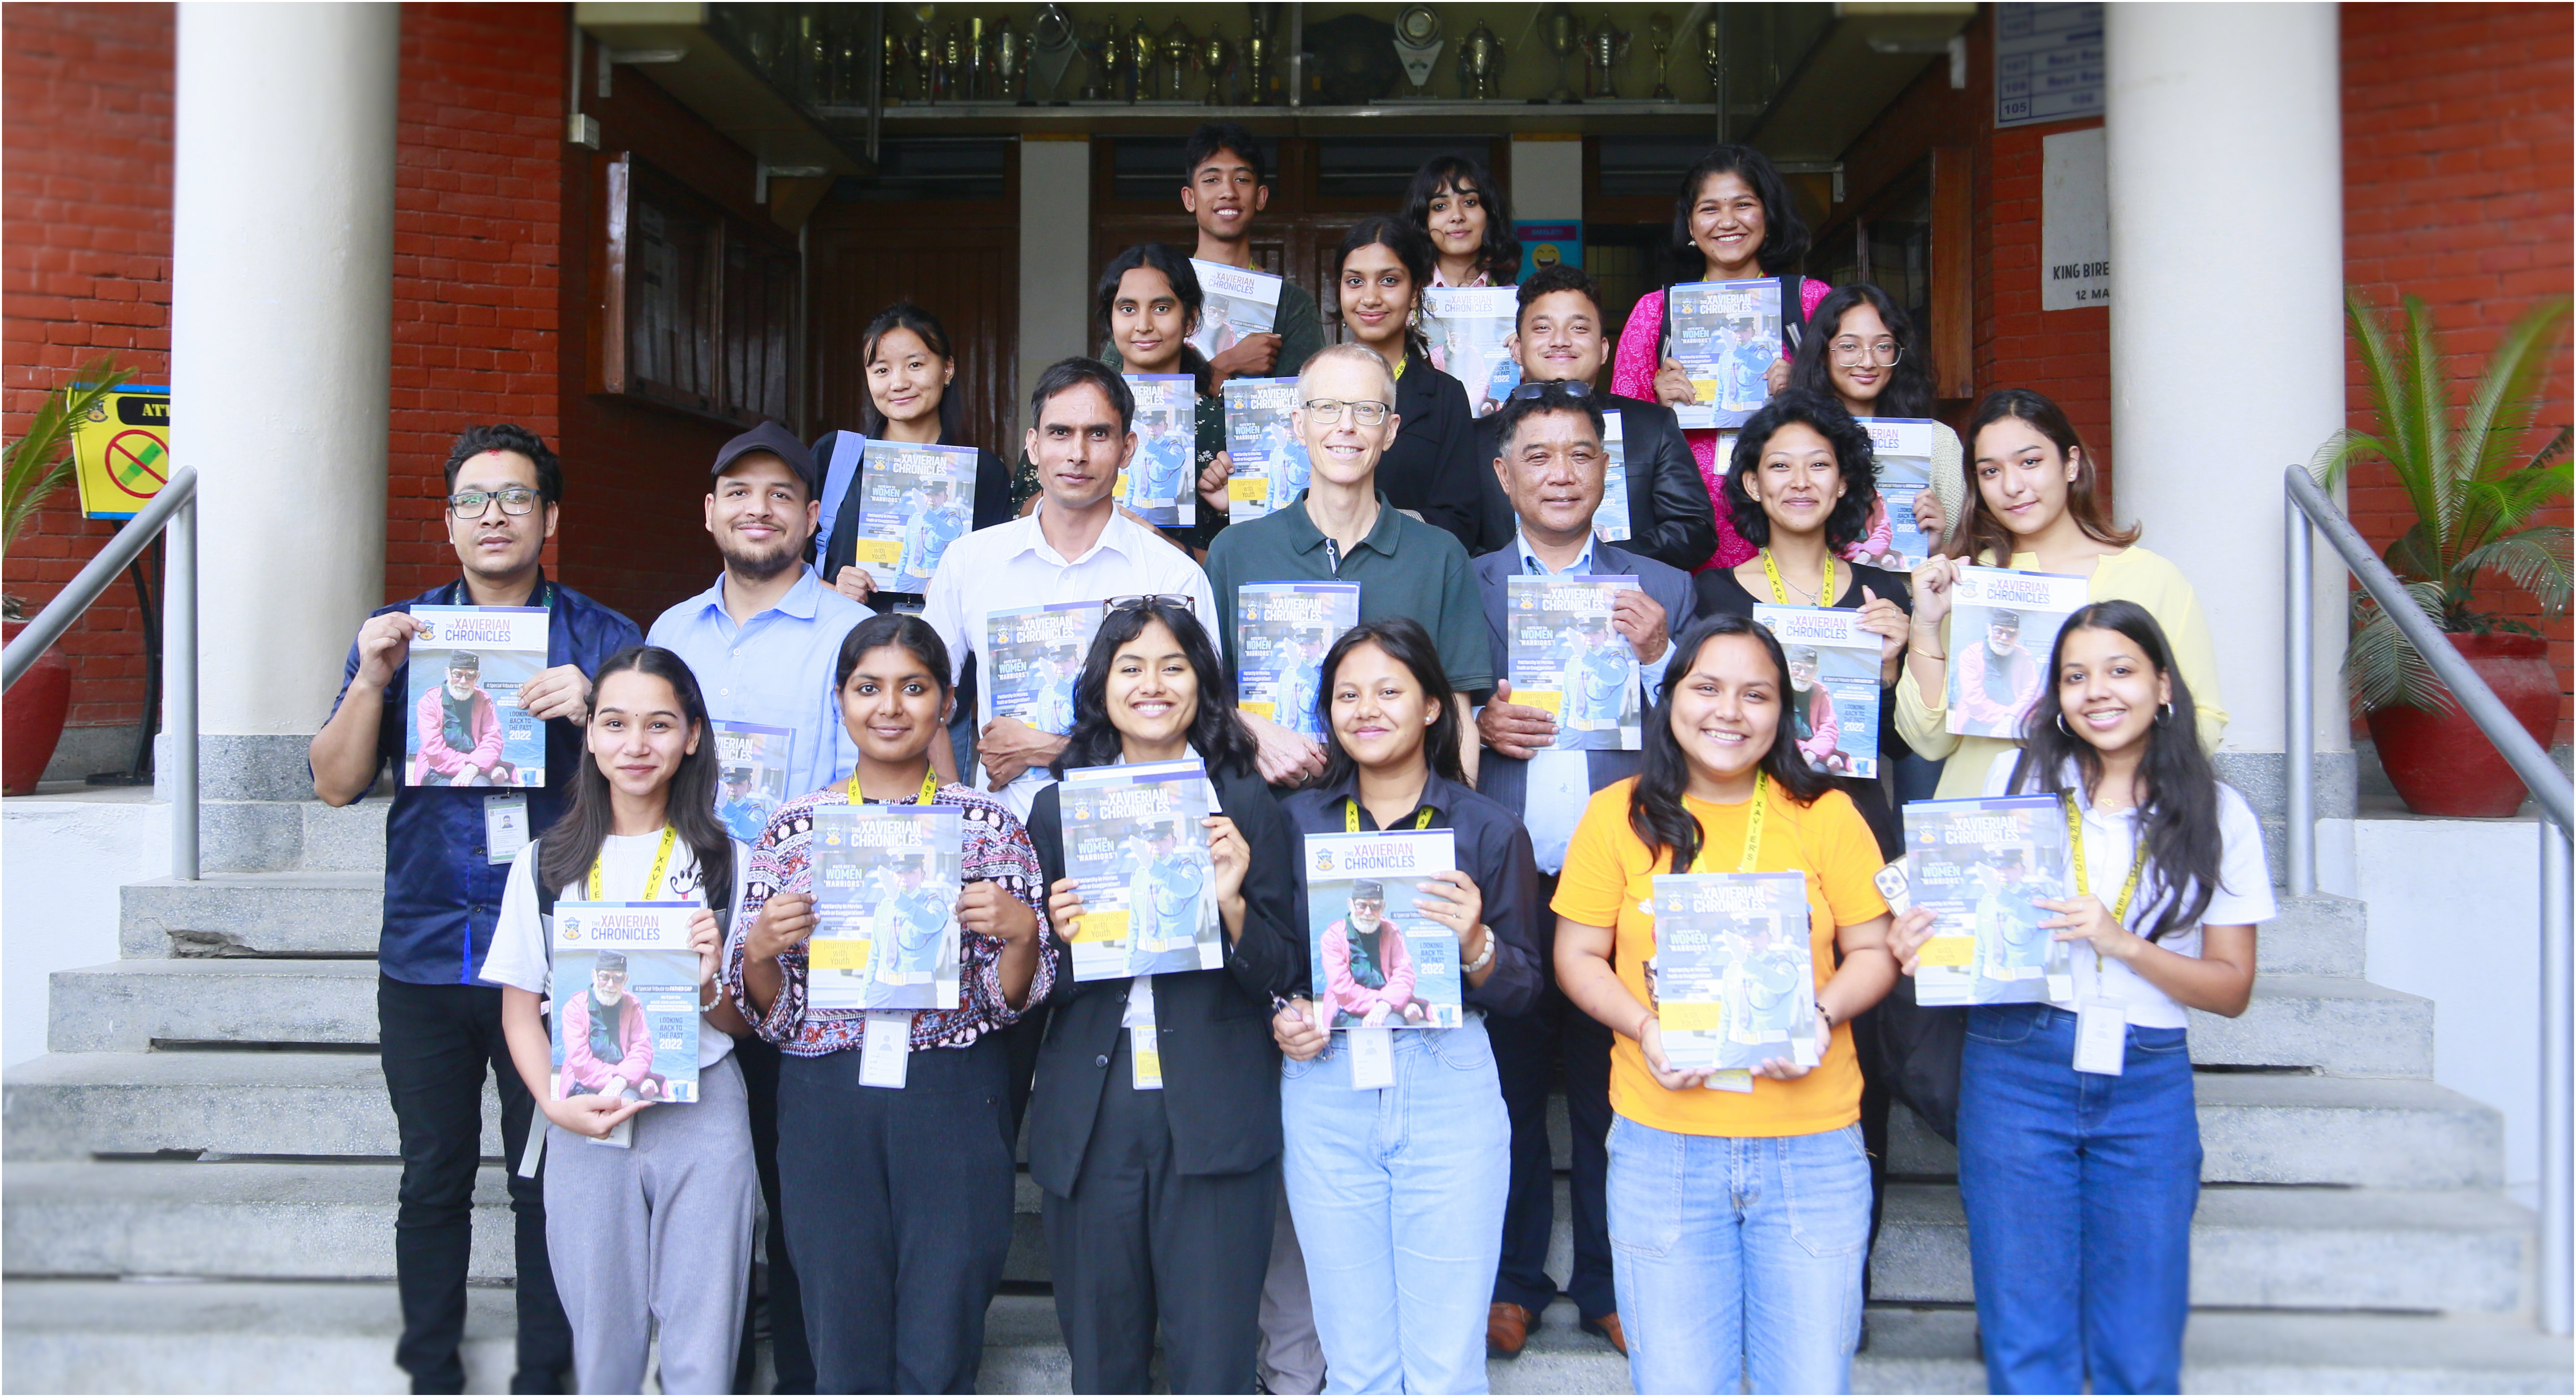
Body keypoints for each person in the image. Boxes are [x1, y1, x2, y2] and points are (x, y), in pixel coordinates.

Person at [311, 423, 636, 1393]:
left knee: (548, 1178)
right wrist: (372, 676)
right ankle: (431, 1373)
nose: (494, 515)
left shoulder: (603, 639)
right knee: (433, 1177)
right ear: (449, 522)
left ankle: (548, 1374)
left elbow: (664, 780)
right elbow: (334, 783)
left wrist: (600, 711)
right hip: (425, 946)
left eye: (516, 497)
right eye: (474, 500)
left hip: (553, 950)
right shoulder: (401, 633)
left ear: (551, 518)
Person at [1887, 601, 2272, 1394]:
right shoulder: (2015, 779)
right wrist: (1923, 938)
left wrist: (2123, 941)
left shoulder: (2218, 812)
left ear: (2163, 684)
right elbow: (1963, 921)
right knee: (2024, 1336)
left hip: (2147, 1075)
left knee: (2140, 1342)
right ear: (2055, 694)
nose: (2097, 692)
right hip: (2016, 1061)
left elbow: (2231, 989)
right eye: (2075, 675)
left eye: (2120, 670)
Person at [1552, 613, 1901, 1395]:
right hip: (1662, 1146)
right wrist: (1645, 1027)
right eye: (1706, 687)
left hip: (1809, 1146)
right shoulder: (1618, 813)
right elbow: (1576, 956)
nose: (1729, 712)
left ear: (1782, 711)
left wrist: (1820, 1014)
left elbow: (1875, 951)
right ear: (1671, 695)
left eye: (1756, 694)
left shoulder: (1827, 813)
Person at [724, 613, 1055, 1394]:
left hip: (952, 1092)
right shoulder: (795, 828)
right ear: (840, 699)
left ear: (946, 702)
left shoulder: (989, 825)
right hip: (826, 1096)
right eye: (869, 687)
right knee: (840, 1320)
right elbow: (772, 1012)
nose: (891, 706)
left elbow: (1009, 1004)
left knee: (942, 1324)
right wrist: (759, 951)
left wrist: (1021, 937)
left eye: (915, 687)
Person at [1023, 598, 1303, 1394]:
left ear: (1203, 684)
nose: (1153, 685)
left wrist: (1233, 902)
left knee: (1214, 1361)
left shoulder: (1244, 802)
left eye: (1173, 666)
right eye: (1131, 667)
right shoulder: (1057, 808)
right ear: (1102, 685)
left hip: (1215, 1109)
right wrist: (1057, 937)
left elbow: (1284, 974)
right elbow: (1032, 986)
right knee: (1103, 1360)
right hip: (1093, 1112)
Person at [647, 422, 873, 1391]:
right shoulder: (667, 635)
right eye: (738, 492)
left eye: (781, 493)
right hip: (687, 948)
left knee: (803, 1194)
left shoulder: (845, 637)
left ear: (812, 515)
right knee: (701, 1205)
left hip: (802, 948)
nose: (758, 509)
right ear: (709, 512)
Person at [1470, 382, 1694, 1358]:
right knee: (1510, 1091)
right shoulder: (1466, 581)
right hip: (1512, 882)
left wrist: (1656, 661)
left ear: (1608, 473)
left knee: (1615, 1091)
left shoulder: (1663, 590)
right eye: (1540, 455)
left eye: (1581, 455)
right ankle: (1514, 1279)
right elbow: (1422, 720)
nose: (1561, 472)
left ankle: (1608, 1279)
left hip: (1621, 884)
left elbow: (1708, 736)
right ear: (1505, 473)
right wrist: (1474, 724)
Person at [1270, 617, 1544, 1394]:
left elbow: (1526, 988)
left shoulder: (1488, 827)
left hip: (1447, 1077)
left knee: (1445, 1362)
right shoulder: (1296, 823)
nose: (1367, 709)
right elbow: (1281, 969)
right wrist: (1282, 1016)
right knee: (1354, 1360)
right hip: (1328, 1081)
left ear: (1432, 706)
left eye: (1389, 691)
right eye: (1347, 694)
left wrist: (1475, 942)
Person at [481, 645, 760, 1395]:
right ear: (592, 736)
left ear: (693, 735)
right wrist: (555, 1105)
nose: (637, 745)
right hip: (583, 1114)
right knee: (602, 1347)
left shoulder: (728, 859)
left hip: (702, 1108)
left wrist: (709, 981)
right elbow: (518, 1011)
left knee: (703, 1345)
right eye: (616, 724)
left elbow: (741, 1022)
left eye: (659, 724)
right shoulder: (545, 862)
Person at [922, 358, 1218, 821]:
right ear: (1033, 446)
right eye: (1060, 433)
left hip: (1133, 830)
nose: (1077, 453)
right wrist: (961, 817)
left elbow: (1200, 728)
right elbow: (924, 699)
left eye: (1098, 434)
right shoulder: (968, 561)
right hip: (1003, 836)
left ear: (1127, 449)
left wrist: (1047, 749)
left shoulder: (1171, 577)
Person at [1900, 388, 2228, 798]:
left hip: (2110, 827)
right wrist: (1926, 624)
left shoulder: (2151, 578)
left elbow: (2202, 722)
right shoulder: (1967, 581)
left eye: (2030, 462)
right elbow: (1927, 741)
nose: (2012, 486)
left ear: (2070, 464)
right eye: (1990, 471)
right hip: (1983, 827)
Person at [1203, 343, 1492, 789]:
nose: (1346, 426)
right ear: (1298, 425)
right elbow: (1200, 700)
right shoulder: (1236, 551)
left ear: (1391, 430)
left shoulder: (1440, 557)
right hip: (1268, 820)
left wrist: (1462, 829)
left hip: (1399, 825)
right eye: (1326, 408)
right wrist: (1252, 727)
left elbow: (1457, 717)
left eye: (1367, 410)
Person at [1691, 390, 1913, 856]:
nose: (1799, 483)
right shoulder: (1711, 595)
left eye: (1817, 465)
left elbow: (1901, 748)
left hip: (1853, 827)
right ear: (1752, 484)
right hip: (1741, 826)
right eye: (1779, 467)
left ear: (1842, 482)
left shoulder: (1882, 595)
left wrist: (1889, 673)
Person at [1610, 145, 1840, 572]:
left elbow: (1854, 418)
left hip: (1794, 512)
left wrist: (1804, 392)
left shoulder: (1810, 302)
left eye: (1743, 205)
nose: (1727, 222)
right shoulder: (1655, 312)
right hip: (1685, 524)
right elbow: (1619, 440)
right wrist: (1656, 408)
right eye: (1710, 209)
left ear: (1767, 216)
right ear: (1691, 225)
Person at [1785, 282, 1960, 805]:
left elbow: (1965, 552)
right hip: (1828, 625)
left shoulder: (1935, 441)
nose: (1867, 360)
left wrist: (1939, 533)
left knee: (1920, 790)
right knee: (1832, 799)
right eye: (1849, 345)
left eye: (1883, 345)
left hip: (1919, 632)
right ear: (1824, 351)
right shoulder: (1794, 439)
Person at [1466, 264, 1718, 573]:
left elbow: (1694, 530)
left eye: (1579, 328)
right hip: (1507, 608)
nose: (1560, 341)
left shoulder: (1653, 426)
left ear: (1603, 350)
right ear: (1517, 349)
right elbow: (1458, 539)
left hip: (1629, 609)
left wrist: (1603, 562)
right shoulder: (1475, 439)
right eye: (1543, 328)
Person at [1103, 122, 1326, 390]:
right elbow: (1112, 390)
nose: (1228, 192)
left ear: (1261, 197)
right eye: (1211, 180)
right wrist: (1226, 364)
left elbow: (1307, 403)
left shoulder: (1291, 303)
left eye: (1242, 179)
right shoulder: (1155, 288)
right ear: (1190, 199)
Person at [822, 301, 1017, 603]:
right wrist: (835, 592)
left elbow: (1003, 582)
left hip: (943, 645)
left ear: (947, 369)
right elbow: (786, 564)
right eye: (882, 370)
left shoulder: (984, 473)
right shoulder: (836, 458)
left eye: (915, 365)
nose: (899, 383)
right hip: (846, 640)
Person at [1325, 215, 1484, 551]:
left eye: (1388, 281)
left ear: (1414, 293)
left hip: (1409, 586)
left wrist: (1376, 526)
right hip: (1316, 582)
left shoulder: (1444, 396)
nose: (1369, 298)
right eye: (1354, 281)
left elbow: (1461, 522)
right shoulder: (1309, 388)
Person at [1099, 242, 1239, 553]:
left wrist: (1235, 505)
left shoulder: (1225, 426)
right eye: (1127, 309)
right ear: (1111, 318)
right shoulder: (1080, 413)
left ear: (1189, 320)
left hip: (1192, 595)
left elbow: (1261, 554)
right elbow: (1022, 517)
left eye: (1161, 308)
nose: (1144, 325)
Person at [1404, 153, 1522, 290]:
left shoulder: (1514, 300)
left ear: (1490, 213)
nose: (1457, 216)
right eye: (1440, 206)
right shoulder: (1407, 298)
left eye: (1469, 202)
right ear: (1423, 219)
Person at [413, 650, 506, 786]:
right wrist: (479, 766)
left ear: (477, 678)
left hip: (476, 767)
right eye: (458, 674)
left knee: (481, 787)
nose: (463, 681)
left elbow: (493, 739)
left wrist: (476, 766)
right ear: (448, 673)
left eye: (470, 676)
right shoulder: (429, 703)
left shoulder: (484, 700)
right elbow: (435, 751)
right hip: (437, 768)